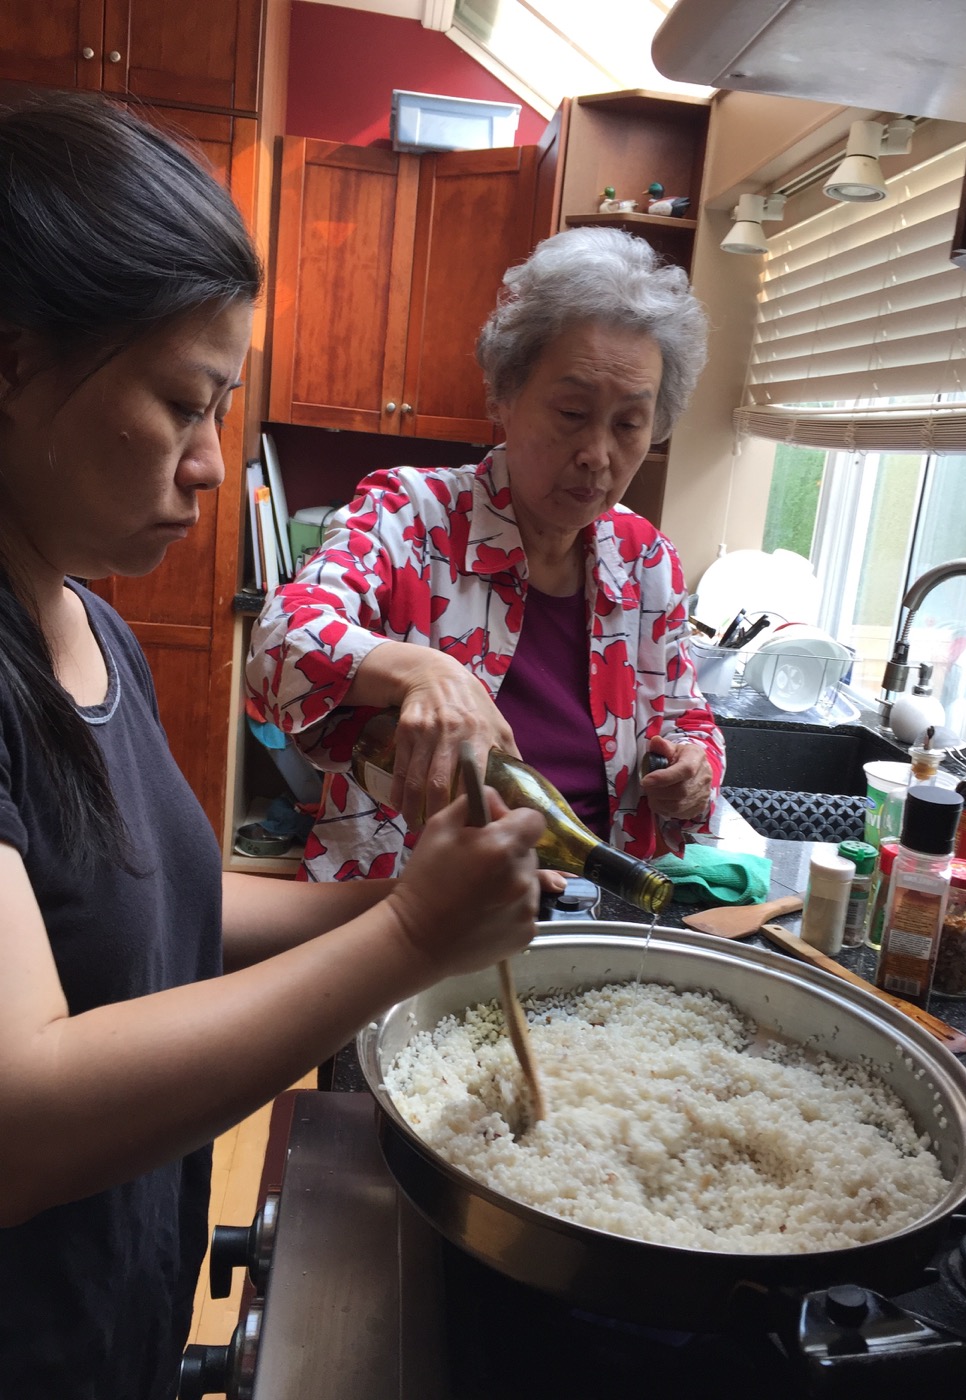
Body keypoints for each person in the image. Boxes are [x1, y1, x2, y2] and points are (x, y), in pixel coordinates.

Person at [0, 92, 544, 1400]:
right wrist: (410, 943)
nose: (207, 465)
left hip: (106, 1317)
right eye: (183, 404)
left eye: (223, 406)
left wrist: (394, 899)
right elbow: (19, 1116)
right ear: (13, 367)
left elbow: (166, 906)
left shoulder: (90, 625)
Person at [246, 226, 724, 884]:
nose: (598, 453)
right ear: (503, 395)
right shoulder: (410, 516)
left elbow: (684, 710)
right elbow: (279, 640)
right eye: (571, 411)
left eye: (628, 424)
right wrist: (421, 672)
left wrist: (695, 765)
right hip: (400, 917)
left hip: (582, 909)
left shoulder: (647, 561)